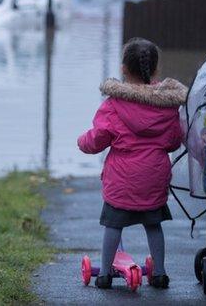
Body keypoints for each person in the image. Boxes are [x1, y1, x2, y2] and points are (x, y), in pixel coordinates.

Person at [77, 38, 186, 290]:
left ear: (123, 69)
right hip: (154, 177)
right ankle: (159, 273)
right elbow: (173, 141)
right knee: (153, 224)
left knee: (113, 225)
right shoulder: (168, 106)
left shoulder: (115, 104)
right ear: (156, 70)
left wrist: (83, 142)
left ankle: (104, 274)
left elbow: (99, 138)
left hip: (122, 179)